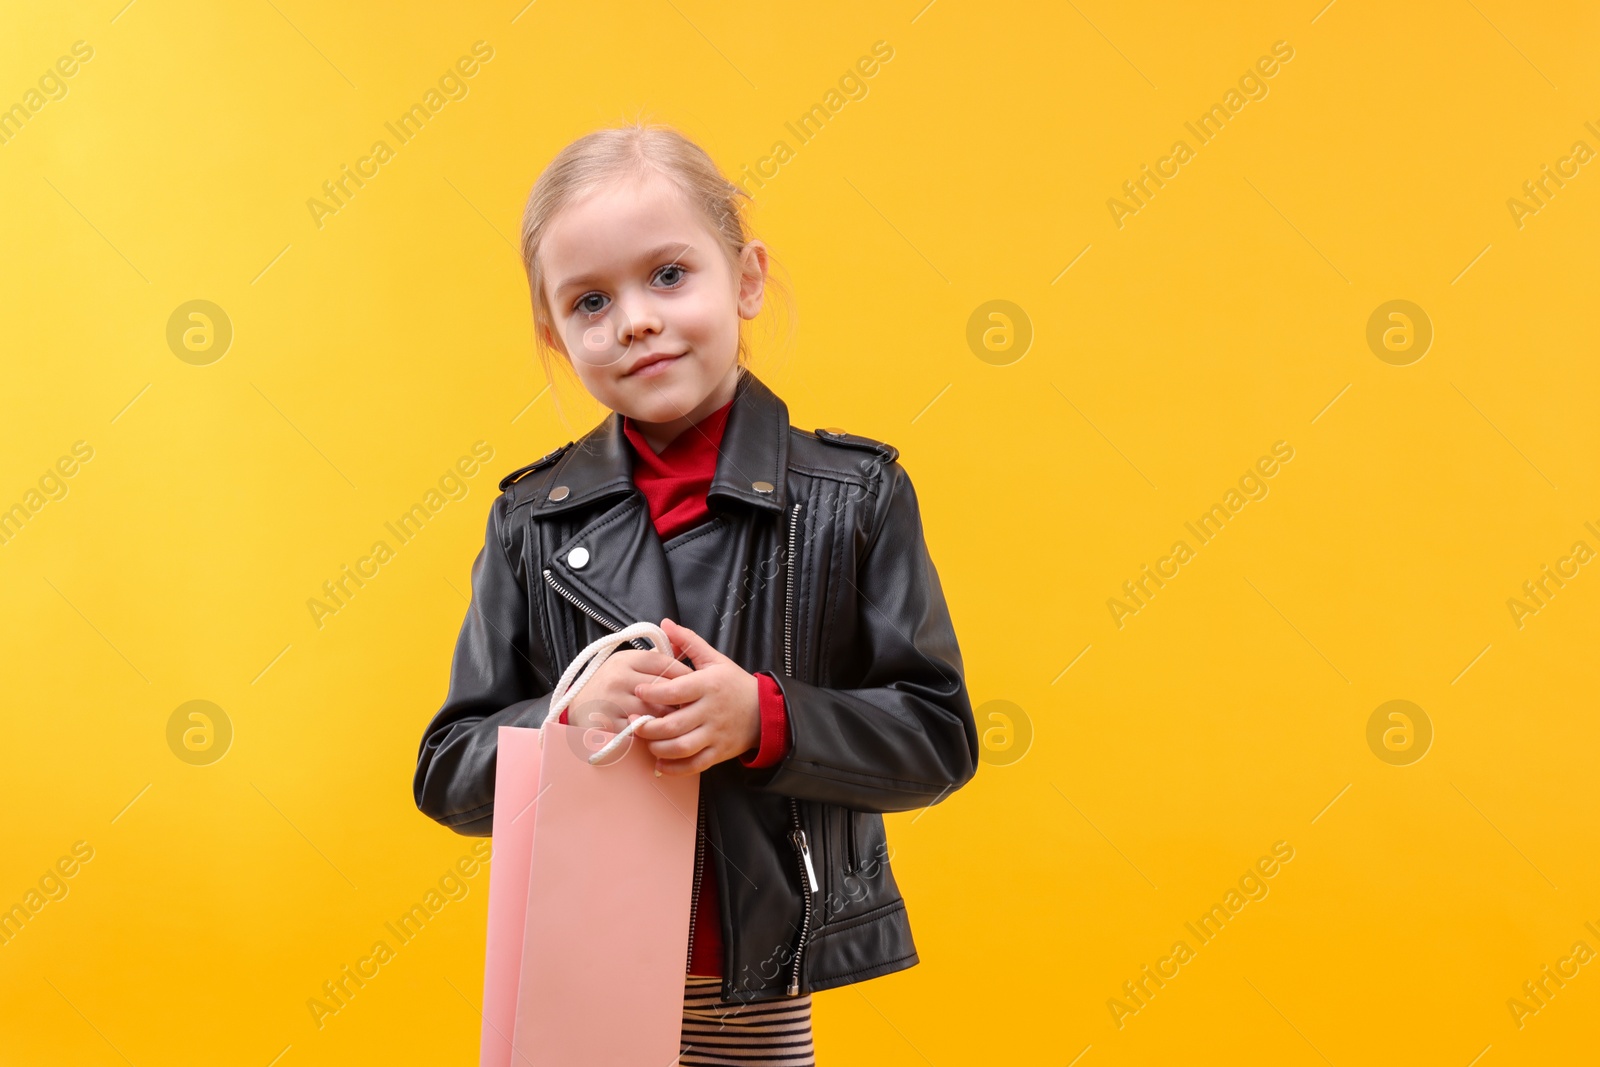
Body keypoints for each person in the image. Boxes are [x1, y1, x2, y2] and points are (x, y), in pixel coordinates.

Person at [413, 120, 978, 1065]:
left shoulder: (854, 499)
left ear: (747, 278)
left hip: (753, 969)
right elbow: (448, 771)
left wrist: (765, 718)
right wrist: (563, 714)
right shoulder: (528, 521)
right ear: (556, 335)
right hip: (579, 962)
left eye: (669, 275)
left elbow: (937, 737)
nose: (634, 318)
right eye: (591, 300)